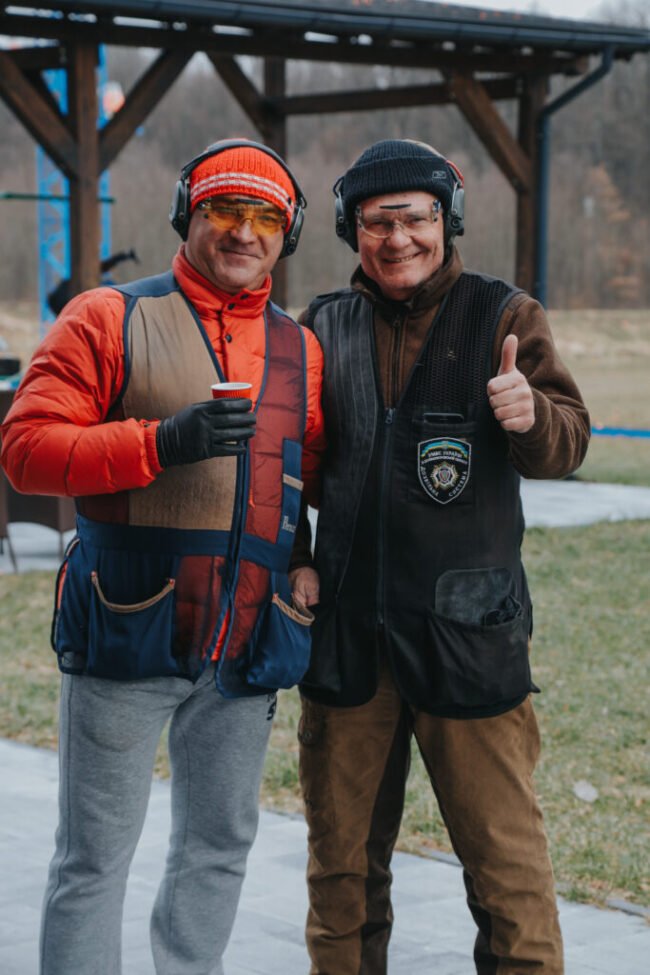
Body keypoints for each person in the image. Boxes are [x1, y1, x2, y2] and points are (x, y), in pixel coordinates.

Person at [1, 139, 325, 975]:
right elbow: (26, 450)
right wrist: (158, 443)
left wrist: (304, 561)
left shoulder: (300, 348)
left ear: (287, 236)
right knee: (93, 857)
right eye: (224, 209)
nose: (244, 232)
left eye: (266, 218)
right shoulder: (107, 316)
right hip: (126, 628)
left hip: (247, 642)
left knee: (219, 846)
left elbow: (309, 474)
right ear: (188, 215)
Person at [289, 139, 590, 975]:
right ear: (351, 230)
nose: (398, 239)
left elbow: (569, 440)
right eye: (377, 222)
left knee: (507, 877)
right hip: (348, 642)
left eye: (416, 217)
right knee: (341, 879)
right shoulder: (321, 327)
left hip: (470, 638)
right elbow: (278, 467)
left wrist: (531, 414)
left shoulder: (505, 315)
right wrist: (296, 555)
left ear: (446, 220)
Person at [46, 247, 140, 316]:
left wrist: (124, 256)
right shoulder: (80, 281)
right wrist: (124, 256)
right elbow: (105, 266)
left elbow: (105, 266)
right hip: (82, 299)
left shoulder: (75, 282)